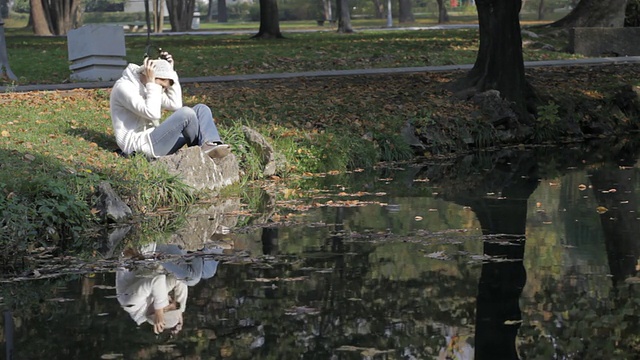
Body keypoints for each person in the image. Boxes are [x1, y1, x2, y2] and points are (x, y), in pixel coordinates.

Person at [110, 50, 230, 159]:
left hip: (155, 140)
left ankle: (210, 145)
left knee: (201, 109)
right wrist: (152, 84)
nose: (161, 90)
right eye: (161, 86)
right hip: (139, 146)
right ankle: (204, 153)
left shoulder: (147, 85)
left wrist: (171, 72)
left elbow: (175, 104)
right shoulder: (124, 87)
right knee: (186, 113)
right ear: (149, 75)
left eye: (164, 88)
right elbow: (153, 114)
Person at [116, 264, 188, 335]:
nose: (171, 299)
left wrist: (159, 309)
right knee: (192, 278)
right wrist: (181, 309)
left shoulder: (131, 305)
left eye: (170, 303)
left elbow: (157, 279)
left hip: (131, 255)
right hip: (149, 258)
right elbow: (180, 277)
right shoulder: (155, 301)